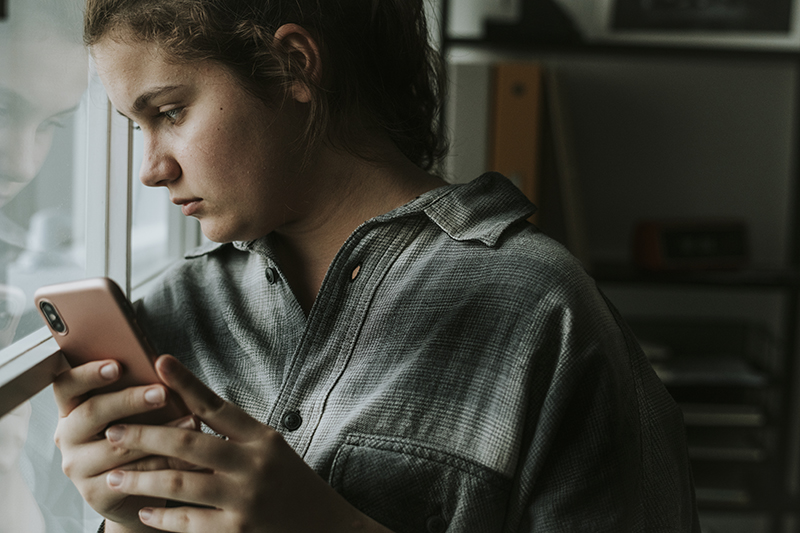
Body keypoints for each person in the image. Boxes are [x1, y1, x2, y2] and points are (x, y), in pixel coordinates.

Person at [53, 0, 701, 531]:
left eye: (168, 112)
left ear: (292, 65)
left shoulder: (544, 312)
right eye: (136, 126)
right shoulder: (170, 313)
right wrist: (133, 514)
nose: (150, 168)